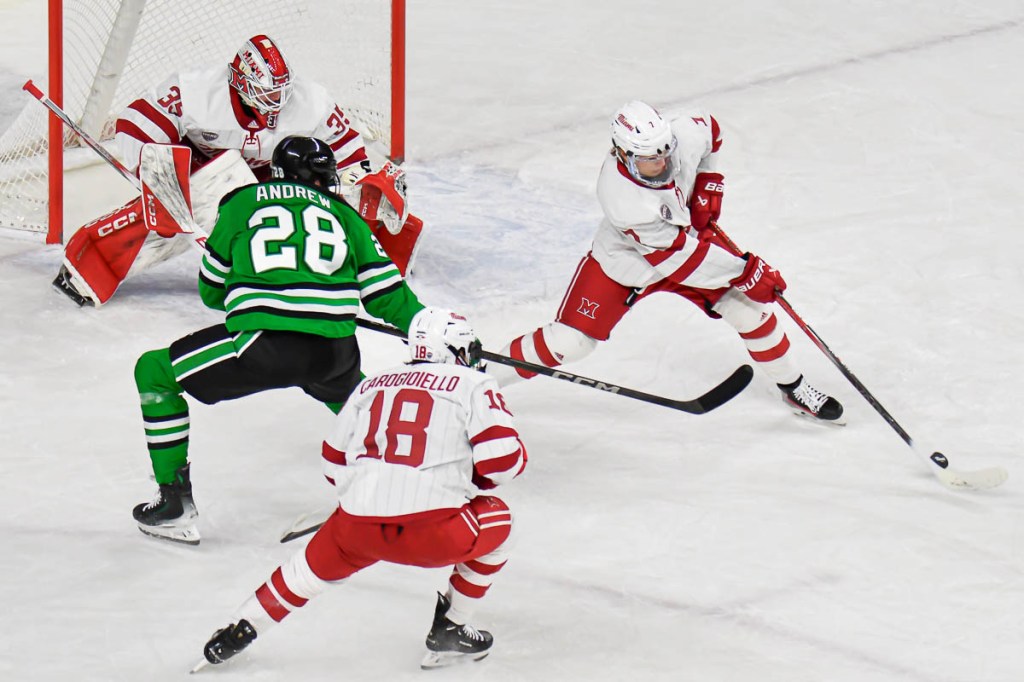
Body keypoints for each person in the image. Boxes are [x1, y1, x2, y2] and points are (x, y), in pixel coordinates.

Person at [193, 308, 527, 672]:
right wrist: (468, 479)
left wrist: (374, 487)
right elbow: (501, 464)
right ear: (456, 348)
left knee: (302, 575)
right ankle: (451, 627)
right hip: (436, 532)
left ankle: (238, 630)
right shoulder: (474, 384)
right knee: (503, 524)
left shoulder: (371, 385)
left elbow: (333, 465)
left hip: (356, 528)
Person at [131, 135, 426, 546]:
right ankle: (406, 485)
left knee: (154, 371)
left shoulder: (242, 203)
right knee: (361, 405)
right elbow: (387, 295)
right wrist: (428, 327)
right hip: (335, 349)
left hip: (265, 347)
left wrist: (248, 280)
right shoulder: (345, 215)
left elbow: (211, 292)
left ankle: (173, 504)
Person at [491, 101, 843, 422]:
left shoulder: (682, 135)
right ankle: (481, 380)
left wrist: (707, 181)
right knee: (571, 342)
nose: (661, 164)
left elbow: (711, 130)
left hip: (686, 245)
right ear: (622, 153)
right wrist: (745, 273)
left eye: (664, 155)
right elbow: (681, 263)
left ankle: (794, 387)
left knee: (753, 315)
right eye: (649, 160)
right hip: (627, 265)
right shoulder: (623, 198)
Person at [53, 34, 421, 307]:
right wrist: (159, 178)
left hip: (272, 175)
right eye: (266, 93)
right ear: (240, 83)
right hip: (207, 177)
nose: (276, 102)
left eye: (280, 92)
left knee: (336, 184)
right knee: (201, 191)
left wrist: (357, 184)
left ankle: (376, 263)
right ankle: (90, 267)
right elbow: (135, 126)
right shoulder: (194, 91)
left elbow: (349, 150)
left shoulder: (312, 101)